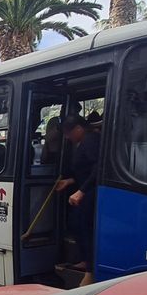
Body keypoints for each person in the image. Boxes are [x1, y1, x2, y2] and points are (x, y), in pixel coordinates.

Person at [55, 114, 100, 285]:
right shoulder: (82, 142)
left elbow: (97, 169)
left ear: (79, 128)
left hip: (91, 192)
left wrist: (81, 191)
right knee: (76, 224)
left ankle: (90, 271)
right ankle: (85, 260)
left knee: (86, 228)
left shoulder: (91, 141)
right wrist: (69, 181)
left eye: (69, 133)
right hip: (84, 189)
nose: (67, 138)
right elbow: (84, 171)